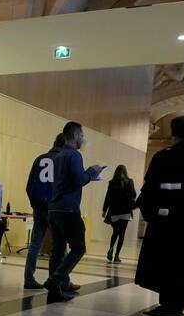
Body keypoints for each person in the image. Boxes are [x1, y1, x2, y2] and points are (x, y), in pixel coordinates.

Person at [135, 115, 184, 316]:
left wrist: (151, 213)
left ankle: (167, 305)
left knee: (164, 261)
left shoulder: (163, 156)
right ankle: (176, 305)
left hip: (166, 222)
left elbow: (150, 188)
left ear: (172, 131)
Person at [43, 121, 106, 303]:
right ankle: (56, 280)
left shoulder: (57, 156)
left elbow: (67, 180)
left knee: (58, 249)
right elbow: (79, 180)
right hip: (68, 208)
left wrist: (86, 175)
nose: (82, 139)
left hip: (54, 208)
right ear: (74, 135)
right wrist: (92, 172)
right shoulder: (74, 155)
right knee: (79, 247)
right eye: (81, 136)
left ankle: (56, 289)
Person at [23, 134, 65, 289]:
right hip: (55, 207)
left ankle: (29, 278)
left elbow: (29, 185)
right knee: (60, 245)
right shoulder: (63, 160)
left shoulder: (40, 159)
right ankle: (60, 279)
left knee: (35, 244)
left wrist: (34, 203)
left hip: (39, 206)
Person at [102, 164, 136, 263]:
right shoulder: (129, 182)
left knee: (115, 232)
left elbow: (107, 197)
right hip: (125, 212)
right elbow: (133, 194)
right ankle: (117, 256)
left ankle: (111, 249)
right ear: (125, 172)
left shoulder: (112, 183)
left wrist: (104, 210)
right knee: (122, 234)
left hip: (114, 212)